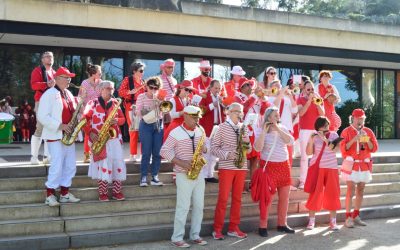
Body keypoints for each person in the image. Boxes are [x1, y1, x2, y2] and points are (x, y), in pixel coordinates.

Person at [160, 105, 208, 248]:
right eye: (194, 118)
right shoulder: (175, 132)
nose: (196, 121)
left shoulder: (200, 130)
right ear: (185, 116)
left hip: (198, 173)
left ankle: (195, 235)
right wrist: (181, 163)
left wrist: (204, 148)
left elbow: (204, 147)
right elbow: (164, 151)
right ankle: (177, 237)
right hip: (183, 173)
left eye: (198, 118)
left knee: (199, 206)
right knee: (183, 207)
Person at [37, 67, 80, 207]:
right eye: (66, 77)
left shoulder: (68, 93)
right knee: (57, 165)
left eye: (70, 77)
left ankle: (64, 194)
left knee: (70, 165)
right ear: (57, 78)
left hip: (69, 134)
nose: (69, 80)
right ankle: (49, 195)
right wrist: (61, 126)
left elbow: (73, 112)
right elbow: (42, 116)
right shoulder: (48, 94)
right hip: (56, 134)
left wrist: (81, 104)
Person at [211, 102, 250, 240]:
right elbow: (214, 148)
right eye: (238, 111)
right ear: (230, 112)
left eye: (241, 111)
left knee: (237, 199)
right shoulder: (221, 128)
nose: (240, 114)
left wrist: (246, 144)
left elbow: (249, 149)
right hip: (227, 167)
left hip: (241, 166)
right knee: (223, 199)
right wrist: (228, 154)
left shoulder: (243, 128)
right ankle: (217, 229)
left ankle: (233, 228)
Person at [254, 107, 295, 237]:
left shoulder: (282, 128)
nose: (278, 117)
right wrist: (264, 132)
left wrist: (278, 129)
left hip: (284, 166)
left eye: (278, 115)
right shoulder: (261, 130)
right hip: (269, 167)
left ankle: (282, 224)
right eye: (275, 115)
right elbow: (257, 148)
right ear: (268, 117)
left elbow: (290, 141)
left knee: (284, 198)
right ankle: (262, 226)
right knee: (267, 199)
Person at [82, 80, 126, 201]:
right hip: (98, 138)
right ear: (100, 90)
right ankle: (103, 192)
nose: (111, 91)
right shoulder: (92, 103)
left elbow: (123, 119)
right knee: (102, 165)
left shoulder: (115, 102)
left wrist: (117, 120)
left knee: (117, 163)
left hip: (114, 138)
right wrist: (90, 132)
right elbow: (84, 119)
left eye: (112, 89)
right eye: (108, 88)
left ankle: (117, 191)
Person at [340, 109, 378, 228]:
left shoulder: (368, 131)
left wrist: (366, 139)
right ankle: (348, 217)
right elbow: (343, 149)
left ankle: (356, 215)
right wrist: (354, 139)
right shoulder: (346, 131)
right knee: (350, 190)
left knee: (361, 189)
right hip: (352, 164)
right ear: (353, 118)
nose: (360, 120)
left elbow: (374, 148)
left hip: (364, 164)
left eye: (362, 118)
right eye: (357, 118)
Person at [305, 117, 341, 230]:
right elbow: (308, 152)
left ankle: (333, 222)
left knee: (333, 194)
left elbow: (335, 150)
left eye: (327, 126)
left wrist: (325, 138)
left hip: (331, 167)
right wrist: (311, 140)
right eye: (324, 126)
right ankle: (311, 221)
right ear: (318, 127)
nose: (326, 128)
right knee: (315, 193)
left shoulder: (334, 135)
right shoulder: (314, 136)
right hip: (318, 167)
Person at [136, 77, 164, 187]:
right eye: (151, 87)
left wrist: (160, 103)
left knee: (157, 152)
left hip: (158, 124)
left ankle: (154, 176)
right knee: (146, 152)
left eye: (155, 88)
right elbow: (138, 112)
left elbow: (165, 111)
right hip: (146, 124)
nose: (153, 90)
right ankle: (143, 177)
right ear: (146, 87)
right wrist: (153, 106)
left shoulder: (160, 97)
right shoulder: (141, 97)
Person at [297, 80, 325, 189]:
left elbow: (323, 115)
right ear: (304, 90)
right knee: (304, 157)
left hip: (316, 131)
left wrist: (317, 104)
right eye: (308, 89)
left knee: (317, 156)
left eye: (312, 89)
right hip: (305, 131)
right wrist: (308, 102)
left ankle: (316, 180)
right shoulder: (300, 99)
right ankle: (303, 181)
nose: (311, 91)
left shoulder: (318, 99)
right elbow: (301, 113)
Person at [30, 51, 56, 164]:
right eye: (47, 57)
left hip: (52, 102)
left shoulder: (54, 72)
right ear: (42, 59)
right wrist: (46, 84)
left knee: (50, 128)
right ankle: (34, 158)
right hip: (41, 101)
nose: (50, 58)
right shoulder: (37, 70)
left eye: (51, 57)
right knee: (40, 128)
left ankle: (46, 157)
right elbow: (33, 85)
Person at [198, 79, 225, 183]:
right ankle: (203, 175)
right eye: (216, 88)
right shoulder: (205, 96)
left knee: (214, 153)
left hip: (217, 127)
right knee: (206, 151)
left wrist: (223, 106)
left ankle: (210, 174)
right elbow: (201, 111)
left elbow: (224, 114)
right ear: (211, 87)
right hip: (207, 128)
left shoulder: (220, 98)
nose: (217, 90)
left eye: (219, 88)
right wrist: (212, 104)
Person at [118, 62, 146, 162]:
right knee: (133, 131)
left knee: (144, 131)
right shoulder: (128, 79)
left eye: (143, 71)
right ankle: (133, 154)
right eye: (141, 71)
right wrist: (130, 92)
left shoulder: (143, 82)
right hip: (131, 107)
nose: (143, 73)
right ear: (134, 71)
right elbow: (120, 92)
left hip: (142, 108)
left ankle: (143, 154)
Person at [78, 63, 102, 163]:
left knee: (98, 132)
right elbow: (80, 98)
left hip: (99, 111)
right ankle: (87, 155)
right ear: (93, 74)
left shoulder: (101, 82)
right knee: (88, 133)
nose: (101, 75)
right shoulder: (85, 83)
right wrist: (82, 110)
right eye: (99, 73)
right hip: (87, 111)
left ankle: (97, 153)